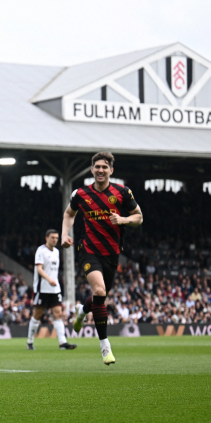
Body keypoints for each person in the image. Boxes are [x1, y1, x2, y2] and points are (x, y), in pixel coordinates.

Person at [62, 151, 143, 365]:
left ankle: (82, 310)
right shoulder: (81, 193)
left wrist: (123, 219)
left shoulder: (122, 192)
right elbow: (69, 214)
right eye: (97, 167)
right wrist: (64, 234)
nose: (100, 170)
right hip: (88, 249)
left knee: (100, 297)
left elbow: (139, 217)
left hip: (112, 253)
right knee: (99, 291)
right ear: (92, 169)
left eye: (104, 167)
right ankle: (105, 346)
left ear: (111, 170)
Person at [26, 229, 77, 351]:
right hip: (42, 288)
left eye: (56, 238)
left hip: (55, 289)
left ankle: (62, 342)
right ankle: (30, 341)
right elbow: (39, 269)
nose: (55, 240)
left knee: (58, 313)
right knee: (37, 314)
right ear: (46, 238)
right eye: (52, 237)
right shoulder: (41, 251)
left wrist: (54, 282)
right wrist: (49, 280)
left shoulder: (57, 252)